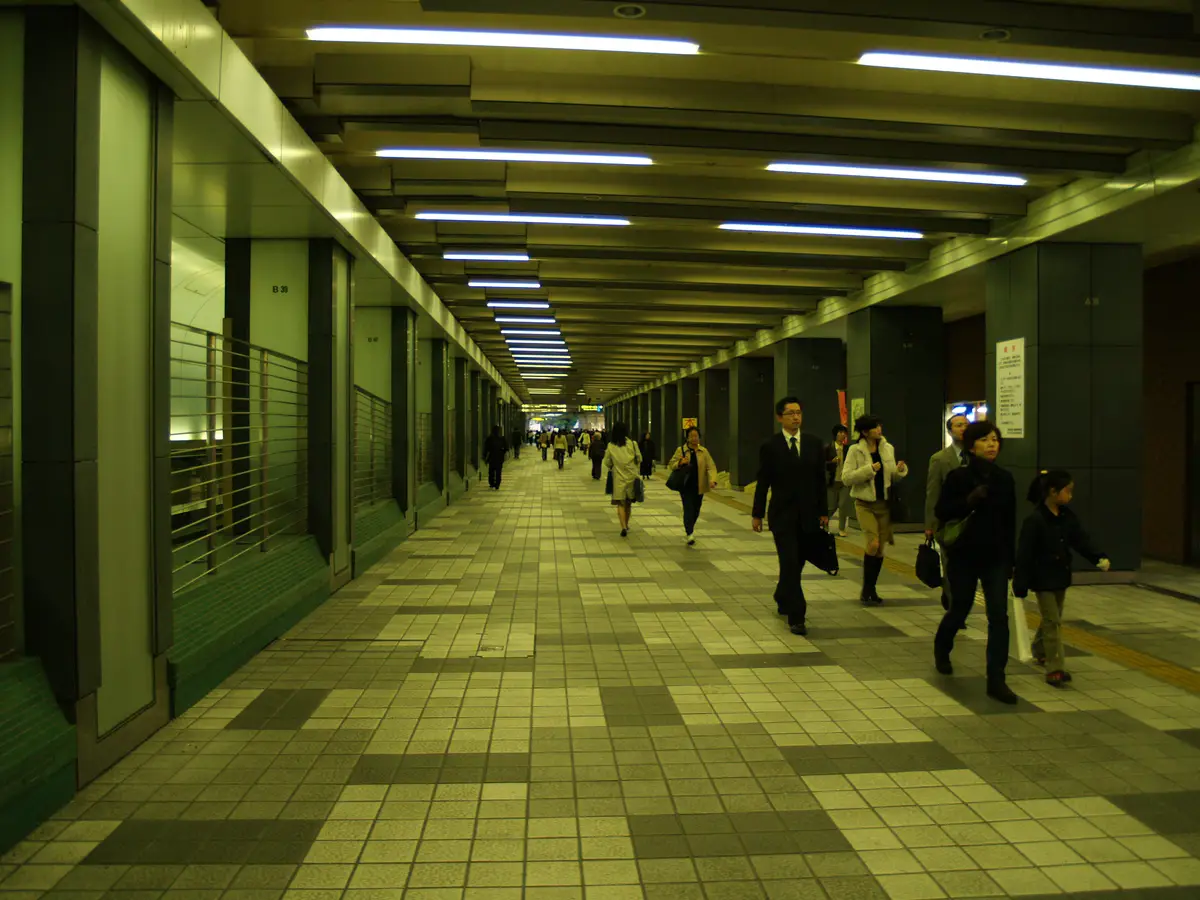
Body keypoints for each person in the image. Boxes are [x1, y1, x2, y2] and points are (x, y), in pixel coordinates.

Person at [933, 421, 1019, 704]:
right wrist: (969, 500)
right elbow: (942, 511)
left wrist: (1011, 560)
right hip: (964, 556)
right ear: (971, 445)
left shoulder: (1005, 479)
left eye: (995, 439)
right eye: (985, 440)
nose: (992, 444)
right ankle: (942, 646)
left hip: (995, 557)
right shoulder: (959, 478)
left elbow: (1009, 521)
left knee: (998, 616)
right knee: (960, 608)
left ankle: (997, 679)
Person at [1013, 470, 1110, 688]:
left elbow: (1080, 540)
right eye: (1068, 491)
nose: (1070, 496)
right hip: (1042, 578)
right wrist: (1020, 581)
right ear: (1053, 492)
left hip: (1060, 575)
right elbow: (1024, 554)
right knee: (1053, 621)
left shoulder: (1067, 517)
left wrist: (1098, 557)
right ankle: (1055, 668)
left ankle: (1039, 648)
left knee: (1052, 618)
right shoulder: (1035, 520)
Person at [751, 397, 829, 637]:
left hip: (808, 516)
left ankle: (781, 593)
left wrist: (824, 512)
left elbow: (820, 481)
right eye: (790, 413)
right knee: (790, 562)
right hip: (782, 515)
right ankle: (797, 616)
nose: (796, 417)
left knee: (797, 563)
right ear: (779, 418)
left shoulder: (814, 444)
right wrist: (757, 513)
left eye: (798, 412)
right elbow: (763, 481)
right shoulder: (770, 446)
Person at [841, 415, 908, 607]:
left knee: (880, 550)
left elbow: (892, 478)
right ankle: (866, 588)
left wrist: (899, 470)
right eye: (874, 427)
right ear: (864, 431)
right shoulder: (855, 450)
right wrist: (868, 470)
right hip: (865, 504)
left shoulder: (888, 449)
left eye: (880, 426)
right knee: (873, 544)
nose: (879, 429)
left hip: (884, 505)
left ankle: (871, 588)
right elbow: (846, 478)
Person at [926, 414, 970, 611]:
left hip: (973, 522)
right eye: (959, 425)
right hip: (949, 523)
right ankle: (955, 609)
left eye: (966, 425)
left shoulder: (977, 456)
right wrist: (930, 524)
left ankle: (957, 598)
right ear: (950, 431)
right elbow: (932, 492)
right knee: (951, 566)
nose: (963, 428)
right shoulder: (940, 459)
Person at [668, 426, 720, 545]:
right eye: (692, 436)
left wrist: (713, 480)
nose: (694, 438)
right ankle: (689, 533)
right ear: (687, 438)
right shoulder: (681, 450)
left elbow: (711, 466)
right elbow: (671, 464)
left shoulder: (704, 451)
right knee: (688, 508)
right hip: (686, 486)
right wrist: (680, 462)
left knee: (696, 509)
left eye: (696, 436)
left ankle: (690, 526)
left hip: (700, 485)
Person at [604, 423, 643, 537]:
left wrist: (614, 465)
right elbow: (639, 458)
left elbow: (607, 462)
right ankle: (626, 523)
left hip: (618, 477)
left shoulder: (611, 446)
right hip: (631, 477)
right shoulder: (632, 444)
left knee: (620, 503)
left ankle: (623, 527)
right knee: (628, 503)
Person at [825, 425, 852, 538]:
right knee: (831, 507)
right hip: (832, 482)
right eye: (840, 433)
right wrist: (832, 462)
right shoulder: (827, 448)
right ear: (835, 434)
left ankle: (841, 528)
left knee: (843, 505)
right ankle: (824, 525)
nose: (842, 435)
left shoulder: (848, 449)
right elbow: (821, 464)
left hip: (844, 482)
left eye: (844, 433)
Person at [482, 426, 507, 490]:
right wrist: (502, 452)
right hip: (499, 457)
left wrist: (484, 457)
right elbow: (506, 448)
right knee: (498, 471)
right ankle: (497, 484)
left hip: (492, 457)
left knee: (491, 471)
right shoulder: (502, 439)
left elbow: (486, 449)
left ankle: (492, 483)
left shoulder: (490, 439)